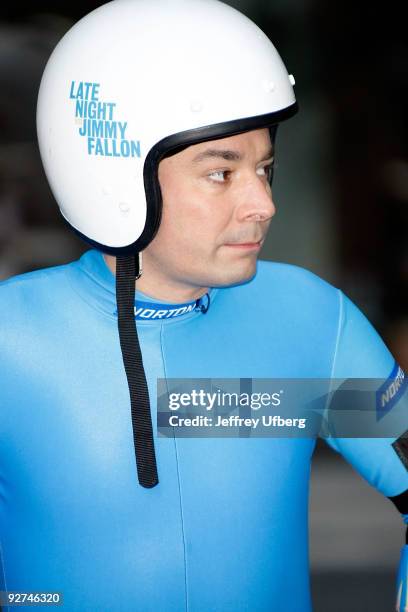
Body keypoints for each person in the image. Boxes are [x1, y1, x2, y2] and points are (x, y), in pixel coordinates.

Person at [0, 1, 407, 610]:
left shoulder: (309, 322)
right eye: (222, 173)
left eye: (265, 169)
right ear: (112, 172)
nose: (263, 204)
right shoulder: (11, 340)